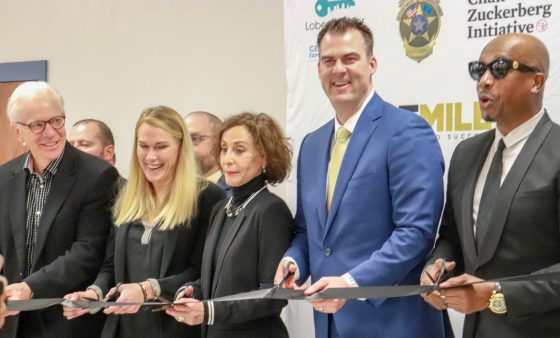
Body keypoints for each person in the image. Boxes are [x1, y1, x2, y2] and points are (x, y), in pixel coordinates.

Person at [275, 17, 448, 338]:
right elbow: (307, 229)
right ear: (318, 70)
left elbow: (416, 232)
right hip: (329, 325)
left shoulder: (406, 131)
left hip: (395, 325)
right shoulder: (312, 144)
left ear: (372, 64)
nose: (338, 69)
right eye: (328, 60)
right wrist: (294, 260)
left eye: (349, 58)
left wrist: (352, 284)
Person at [421, 33, 560, 337]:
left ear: (536, 82)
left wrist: (497, 293)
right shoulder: (466, 153)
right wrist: (438, 264)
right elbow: (452, 236)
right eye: (478, 69)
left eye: (498, 68)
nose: (484, 81)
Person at [63, 106, 225, 338]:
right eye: (143, 146)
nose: (150, 157)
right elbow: (111, 265)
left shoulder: (207, 197)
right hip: (122, 328)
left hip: (175, 329)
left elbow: (203, 271)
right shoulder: (126, 194)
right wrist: (95, 293)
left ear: (181, 149)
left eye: (161, 147)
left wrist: (148, 289)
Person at [0, 81, 119, 337]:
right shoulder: (3, 177)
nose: (51, 133)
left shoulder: (97, 175)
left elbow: (88, 250)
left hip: (65, 322)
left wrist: (30, 287)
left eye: (57, 120)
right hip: (12, 323)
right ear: (18, 132)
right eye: (37, 125)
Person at [166, 112, 294, 338]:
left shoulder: (271, 211)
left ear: (264, 157)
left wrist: (210, 311)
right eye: (224, 149)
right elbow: (216, 280)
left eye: (239, 150)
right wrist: (194, 290)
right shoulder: (220, 209)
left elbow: (274, 295)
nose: (227, 159)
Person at [184, 112, 229, 193]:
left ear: (218, 141)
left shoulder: (233, 193)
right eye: (182, 141)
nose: (185, 148)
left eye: (194, 139)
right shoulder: (175, 190)